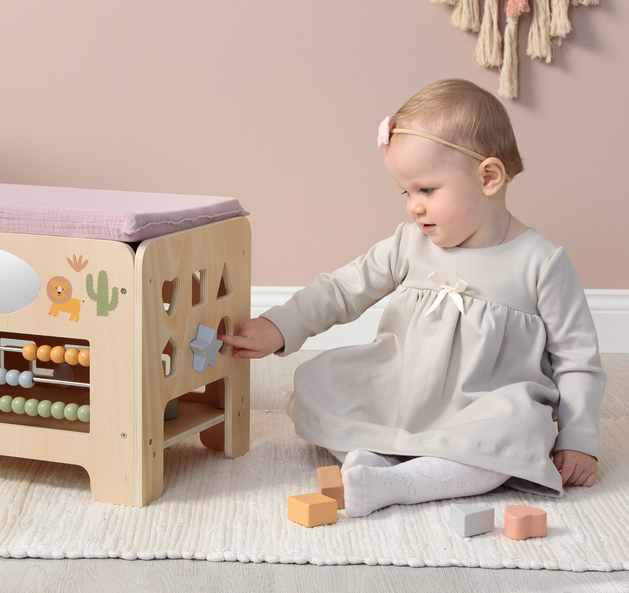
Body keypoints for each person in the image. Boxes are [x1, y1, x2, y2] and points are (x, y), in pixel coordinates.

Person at [219, 78, 605, 518]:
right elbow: (342, 288)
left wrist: (579, 438)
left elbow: (577, 359)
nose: (413, 207)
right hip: (404, 390)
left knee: (520, 428)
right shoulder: (409, 243)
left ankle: (401, 482)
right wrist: (280, 324)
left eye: (427, 190)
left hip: (483, 406)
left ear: (488, 178)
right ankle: (380, 458)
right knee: (320, 381)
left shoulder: (540, 262)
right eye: (407, 192)